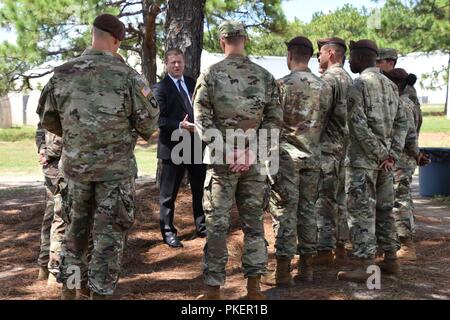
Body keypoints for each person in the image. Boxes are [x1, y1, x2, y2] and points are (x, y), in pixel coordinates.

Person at [38, 13, 159, 299]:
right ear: (117, 41)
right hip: (114, 177)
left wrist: (80, 137)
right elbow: (149, 125)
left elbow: (49, 121)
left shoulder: (62, 73)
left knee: (73, 240)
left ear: (93, 35)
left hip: (75, 172)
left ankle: (70, 293)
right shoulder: (129, 77)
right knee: (107, 243)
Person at [193, 20, 282, 300]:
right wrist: (251, 151)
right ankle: (254, 289)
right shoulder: (266, 77)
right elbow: (274, 120)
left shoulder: (209, 74)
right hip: (254, 164)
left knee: (217, 226)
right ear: (245, 39)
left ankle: (212, 292)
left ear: (222, 42)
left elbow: (201, 119)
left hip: (221, 163)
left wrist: (228, 150)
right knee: (254, 224)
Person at [261, 36, 333, 286]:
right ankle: (306, 269)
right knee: (308, 212)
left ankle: (282, 272)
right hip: (313, 158)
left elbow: (269, 125)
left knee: (284, 212)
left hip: (286, 160)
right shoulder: (324, 87)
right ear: (310, 56)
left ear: (290, 56)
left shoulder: (281, 85)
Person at [337, 40, 407, 282]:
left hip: (362, 162)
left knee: (361, 213)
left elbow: (357, 125)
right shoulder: (390, 85)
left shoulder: (358, 85)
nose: (349, 61)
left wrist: (380, 154)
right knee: (385, 210)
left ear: (361, 58)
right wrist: (391, 154)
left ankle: (366, 266)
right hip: (385, 163)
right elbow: (402, 123)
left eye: (352, 57)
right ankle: (391, 260)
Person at [152, 48, 206, 248]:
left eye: (179, 62)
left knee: (199, 189)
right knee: (169, 194)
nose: (177, 65)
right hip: (173, 147)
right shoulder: (160, 88)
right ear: (166, 64)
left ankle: (202, 226)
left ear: (184, 63)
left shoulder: (193, 83)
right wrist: (180, 125)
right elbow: (159, 119)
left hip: (195, 145)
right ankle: (168, 232)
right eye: (173, 62)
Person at [314, 37, 353, 265]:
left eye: (320, 53)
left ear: (330, 54)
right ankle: (340, 246)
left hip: (327, 149)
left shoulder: (328, 80)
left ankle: (323, 250)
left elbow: (318, 116)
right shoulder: (349, 79)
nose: (318, 57)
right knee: (339, 200)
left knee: (323, 200)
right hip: (345, 150)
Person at [384, 68, 429, 260]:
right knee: (403, 200)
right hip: (404, 159)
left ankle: (407, 245)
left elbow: (410, 137)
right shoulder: (408, 103)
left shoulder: (402, 104)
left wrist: (417, 154)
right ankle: (400, 241)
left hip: (401, 161)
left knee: (399, 202)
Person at [35, 125, 66, 285]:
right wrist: (45, 152)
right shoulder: (66, 100)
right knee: (60, 218)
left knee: (51, 216)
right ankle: (53, 271)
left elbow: (40, 129)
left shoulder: (48, 99)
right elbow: (65, 134)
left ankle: (44, 267)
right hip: (60, 170)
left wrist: (44, 151)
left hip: (53, 167)